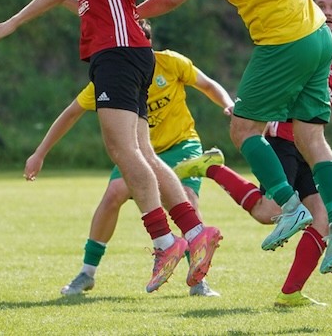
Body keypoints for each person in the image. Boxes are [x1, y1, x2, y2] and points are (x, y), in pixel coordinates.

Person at [0, 0, 221, 293]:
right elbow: (98, 3)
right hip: (131, 50)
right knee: (142, 151)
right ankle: (195, 231)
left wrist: (12, 22)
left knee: (122, 150)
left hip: (118, 53)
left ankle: (165, 242)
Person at [136, 0, 332, 279]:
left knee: (243, 129)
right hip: (319, 37)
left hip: (285, 42)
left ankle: (288, 206)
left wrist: (131, 13)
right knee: (311, 138)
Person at [174, 0, 332, 307]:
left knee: (322, 218)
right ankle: (213, 169)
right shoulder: (299, 45)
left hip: (312, 148)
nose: (328, 12)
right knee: (269, 214)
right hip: (282, 141)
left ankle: (290, 294)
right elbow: (272, 86)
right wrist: (252, 113)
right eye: (321, 5)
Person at [25, 19, 233, 297]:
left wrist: (229, 104)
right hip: (137, 151)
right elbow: (71, 113)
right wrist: (40, 153)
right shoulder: (114, 75)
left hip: (180, 144)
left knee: (186, 197)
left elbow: (207, 84)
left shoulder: (170, 63)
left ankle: (198, 280)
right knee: (113, 194)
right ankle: (86, 273)